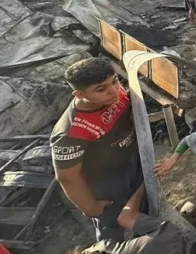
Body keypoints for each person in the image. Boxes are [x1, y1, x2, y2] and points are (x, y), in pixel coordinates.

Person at [50, 58, 143, 242]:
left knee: (142, 206)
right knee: (112, 225)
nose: (113, 90)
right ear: (79, 94)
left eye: (115, 81)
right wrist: (90, 207)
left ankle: (145, 241)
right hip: (106, 182)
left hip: (132, 159)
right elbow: (67, 177)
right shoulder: (71, 132)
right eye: (101, 89)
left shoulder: (116, 94)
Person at [54, 185, 186, 254]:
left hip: (176, 251)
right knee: (125, 219)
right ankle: (144, 182)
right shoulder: (100, 252)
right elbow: (125, 218)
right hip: (173, 241)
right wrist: (146, 180)